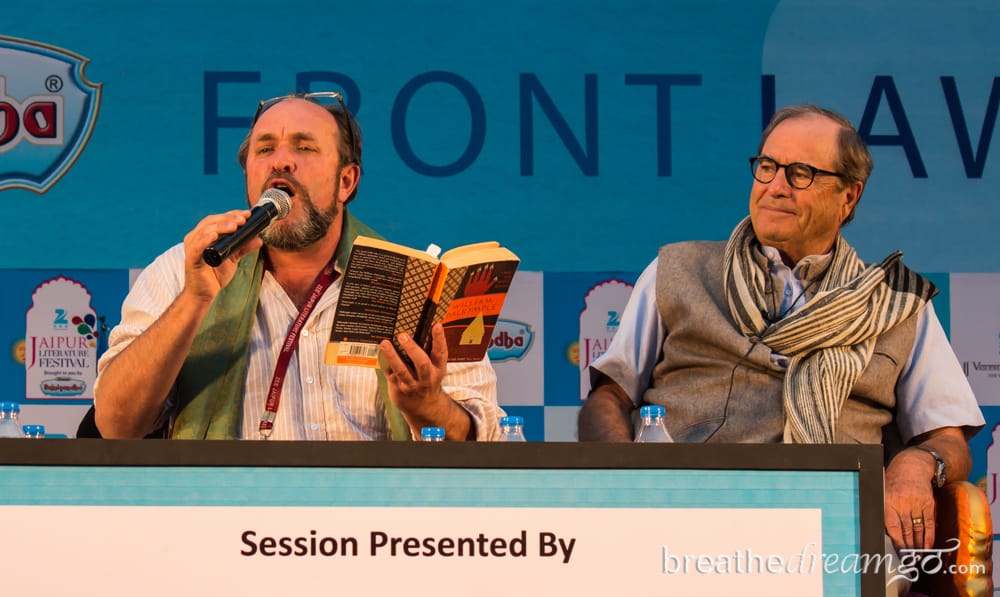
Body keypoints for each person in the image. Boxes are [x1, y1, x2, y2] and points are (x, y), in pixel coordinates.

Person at [578, 104, 984, 574]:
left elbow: (949, 438)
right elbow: (609, 395)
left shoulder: (898, 304)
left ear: (848, 198)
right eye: (767, 167)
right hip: (687, 519)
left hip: (838, 529)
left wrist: (918, 463)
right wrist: (624, 473)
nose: (775, 185)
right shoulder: (676, 270)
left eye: (800, 173)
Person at [94, 91, 503, 441]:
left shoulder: (415, 280)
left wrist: (429, 406)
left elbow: (488, 441)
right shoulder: (183, 270)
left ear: (346, 182)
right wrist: (193, 302)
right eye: (265, 149)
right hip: (223, 522)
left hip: (374, 527)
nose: (281, 162)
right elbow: (115, 425)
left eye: (304, 148)